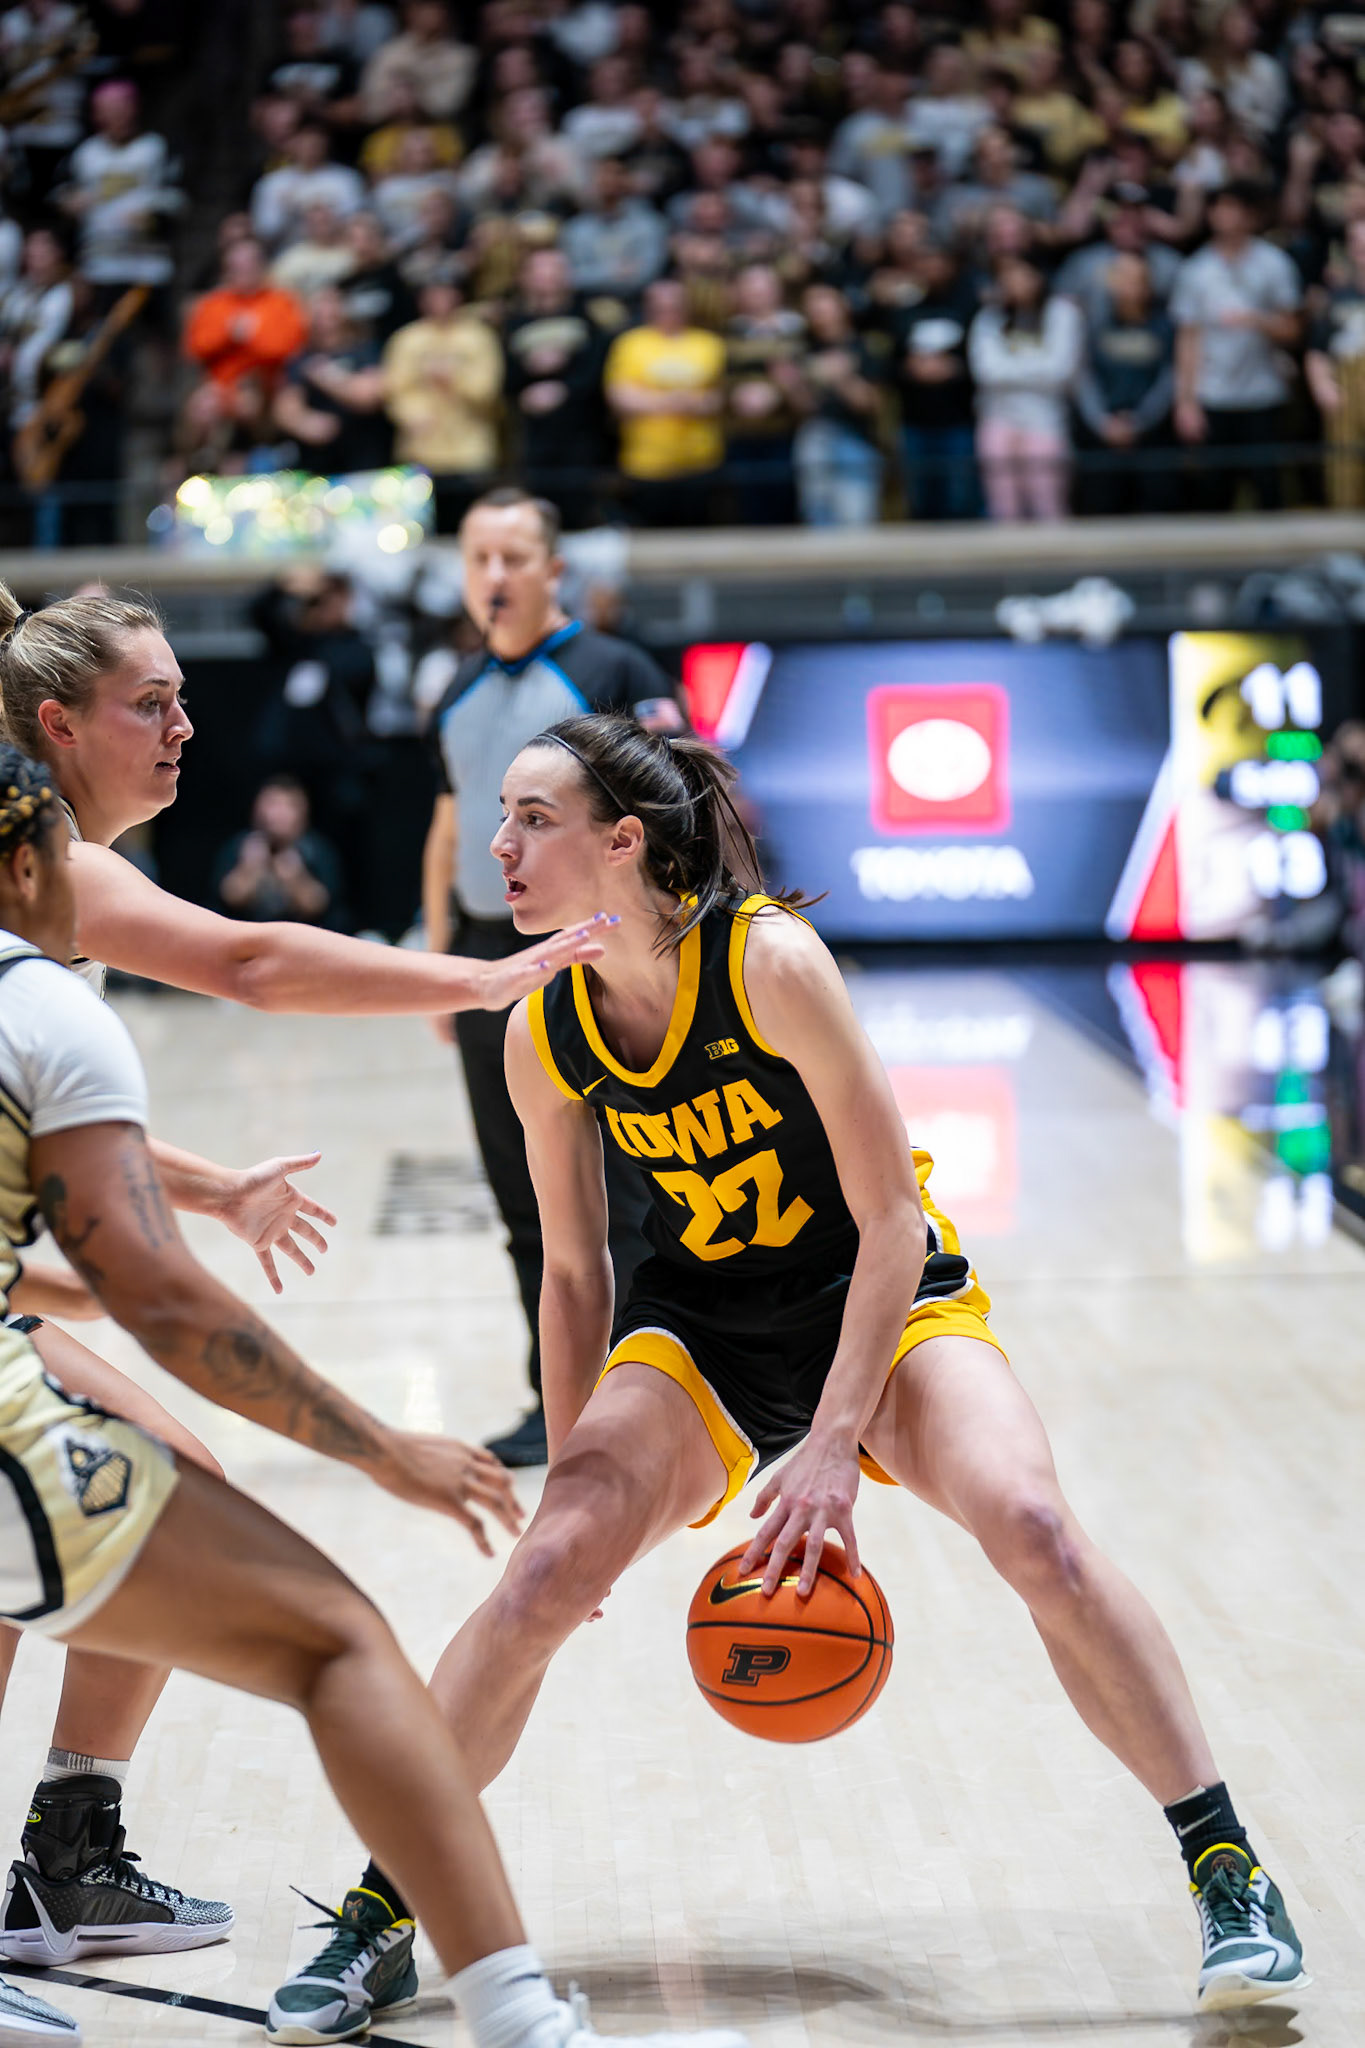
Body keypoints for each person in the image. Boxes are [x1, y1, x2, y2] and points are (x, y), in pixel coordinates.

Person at [284, 711, 1310, 2034]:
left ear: (622, 843)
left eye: (533, 818)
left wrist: (833, 1443)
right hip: (701, 1328)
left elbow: (889, 1218)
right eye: (501, 819)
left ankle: (1226, 1865)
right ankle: (382, 1911)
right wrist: (565, 1476)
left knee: (1034, 1528)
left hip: (875, 1305)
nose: (500, 842)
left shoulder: (768, 962)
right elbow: (576, 1274)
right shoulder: (544, 1025)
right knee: (541, 1579)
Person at [0, 740, 746, 2048]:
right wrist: (380, 1449)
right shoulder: (47, 1012)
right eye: (151, 702)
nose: (181, 733)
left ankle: (71, 1846)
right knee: (342, 1641)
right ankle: (519, 2019)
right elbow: (166, 1298)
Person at [420, 487, 677, 1467]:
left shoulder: (615, 670)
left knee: (630, 1188)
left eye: (513, 557)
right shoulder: (453, 688)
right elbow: (450, 831)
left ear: (553, 570)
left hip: (601, 957)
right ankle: (554, 1394)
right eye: (478, 558)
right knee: (525, 1193)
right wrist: (446, 965)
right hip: (492, 960)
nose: (493, 576)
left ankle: (657, 1385)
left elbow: (686, 803)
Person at [1170, 180, 1302, 512]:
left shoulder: (1274, 263)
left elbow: (1293, 329)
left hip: (1263, 395)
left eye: (1235, 208)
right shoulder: (1195, 270)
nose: (1226, 216)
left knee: (1269, 488)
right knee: (1213, 493)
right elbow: (1188, 339)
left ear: (1251, 216)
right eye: (1220, 208)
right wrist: (1186, 401)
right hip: (1213, 395)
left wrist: (1258, 321)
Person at [381, 273, 503, 531]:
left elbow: (487, 390)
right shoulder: (407, 339)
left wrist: (452, 379)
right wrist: (412, 416)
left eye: (445, 294)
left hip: (470, 448)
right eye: (432, 295)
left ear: (457, 297)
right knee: (420, 528)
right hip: (420, 449)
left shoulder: (479, 337)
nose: (439, 302)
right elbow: (395, 390)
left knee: (470, 524)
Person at [603, 277, 726, 528]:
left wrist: (653, 400)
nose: (668, 312)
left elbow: (718, 399)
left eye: (675, 305)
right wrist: (681, 400)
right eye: (660, 306)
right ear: (648, 307)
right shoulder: (630, 344)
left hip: (700, 463)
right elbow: (621, 398)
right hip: (646, 465)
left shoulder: (709, 344)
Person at [969, 256, 1083, 519]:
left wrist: (1010, 367)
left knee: (1048, 504)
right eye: (1005, 277)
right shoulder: (988, 318)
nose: (1012, 283)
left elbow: (1061, 370)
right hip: (997, 419)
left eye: (1020, 275)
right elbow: (985, 372)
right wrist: (1037, 366)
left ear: (1038, 277)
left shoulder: (1062, 313)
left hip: (1046, 421)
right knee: (1003, 508)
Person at [214, 774, 346, 929]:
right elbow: (226, 898)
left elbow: (321, 906)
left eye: (288, 806)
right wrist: (249, 869)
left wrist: (295, 878)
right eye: (272, 804)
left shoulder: (317, 851)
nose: (279, 813)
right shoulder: (240, 846)